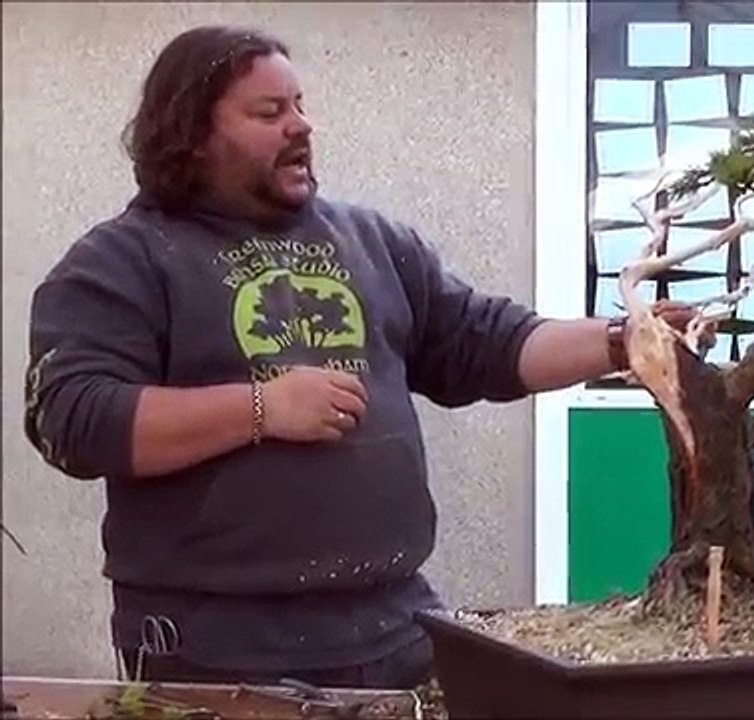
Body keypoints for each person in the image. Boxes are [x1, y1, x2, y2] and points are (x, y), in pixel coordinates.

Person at [22, 25, 695, 690]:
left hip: (393, 630)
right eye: (269, 112)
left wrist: (624, 340)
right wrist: (263, 407)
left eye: (300, 105)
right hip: (210, 646)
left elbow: (486, 343)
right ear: (193, 135)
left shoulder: (372, 241)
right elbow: (74, 420)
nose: (301, 126)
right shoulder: (121, 261)